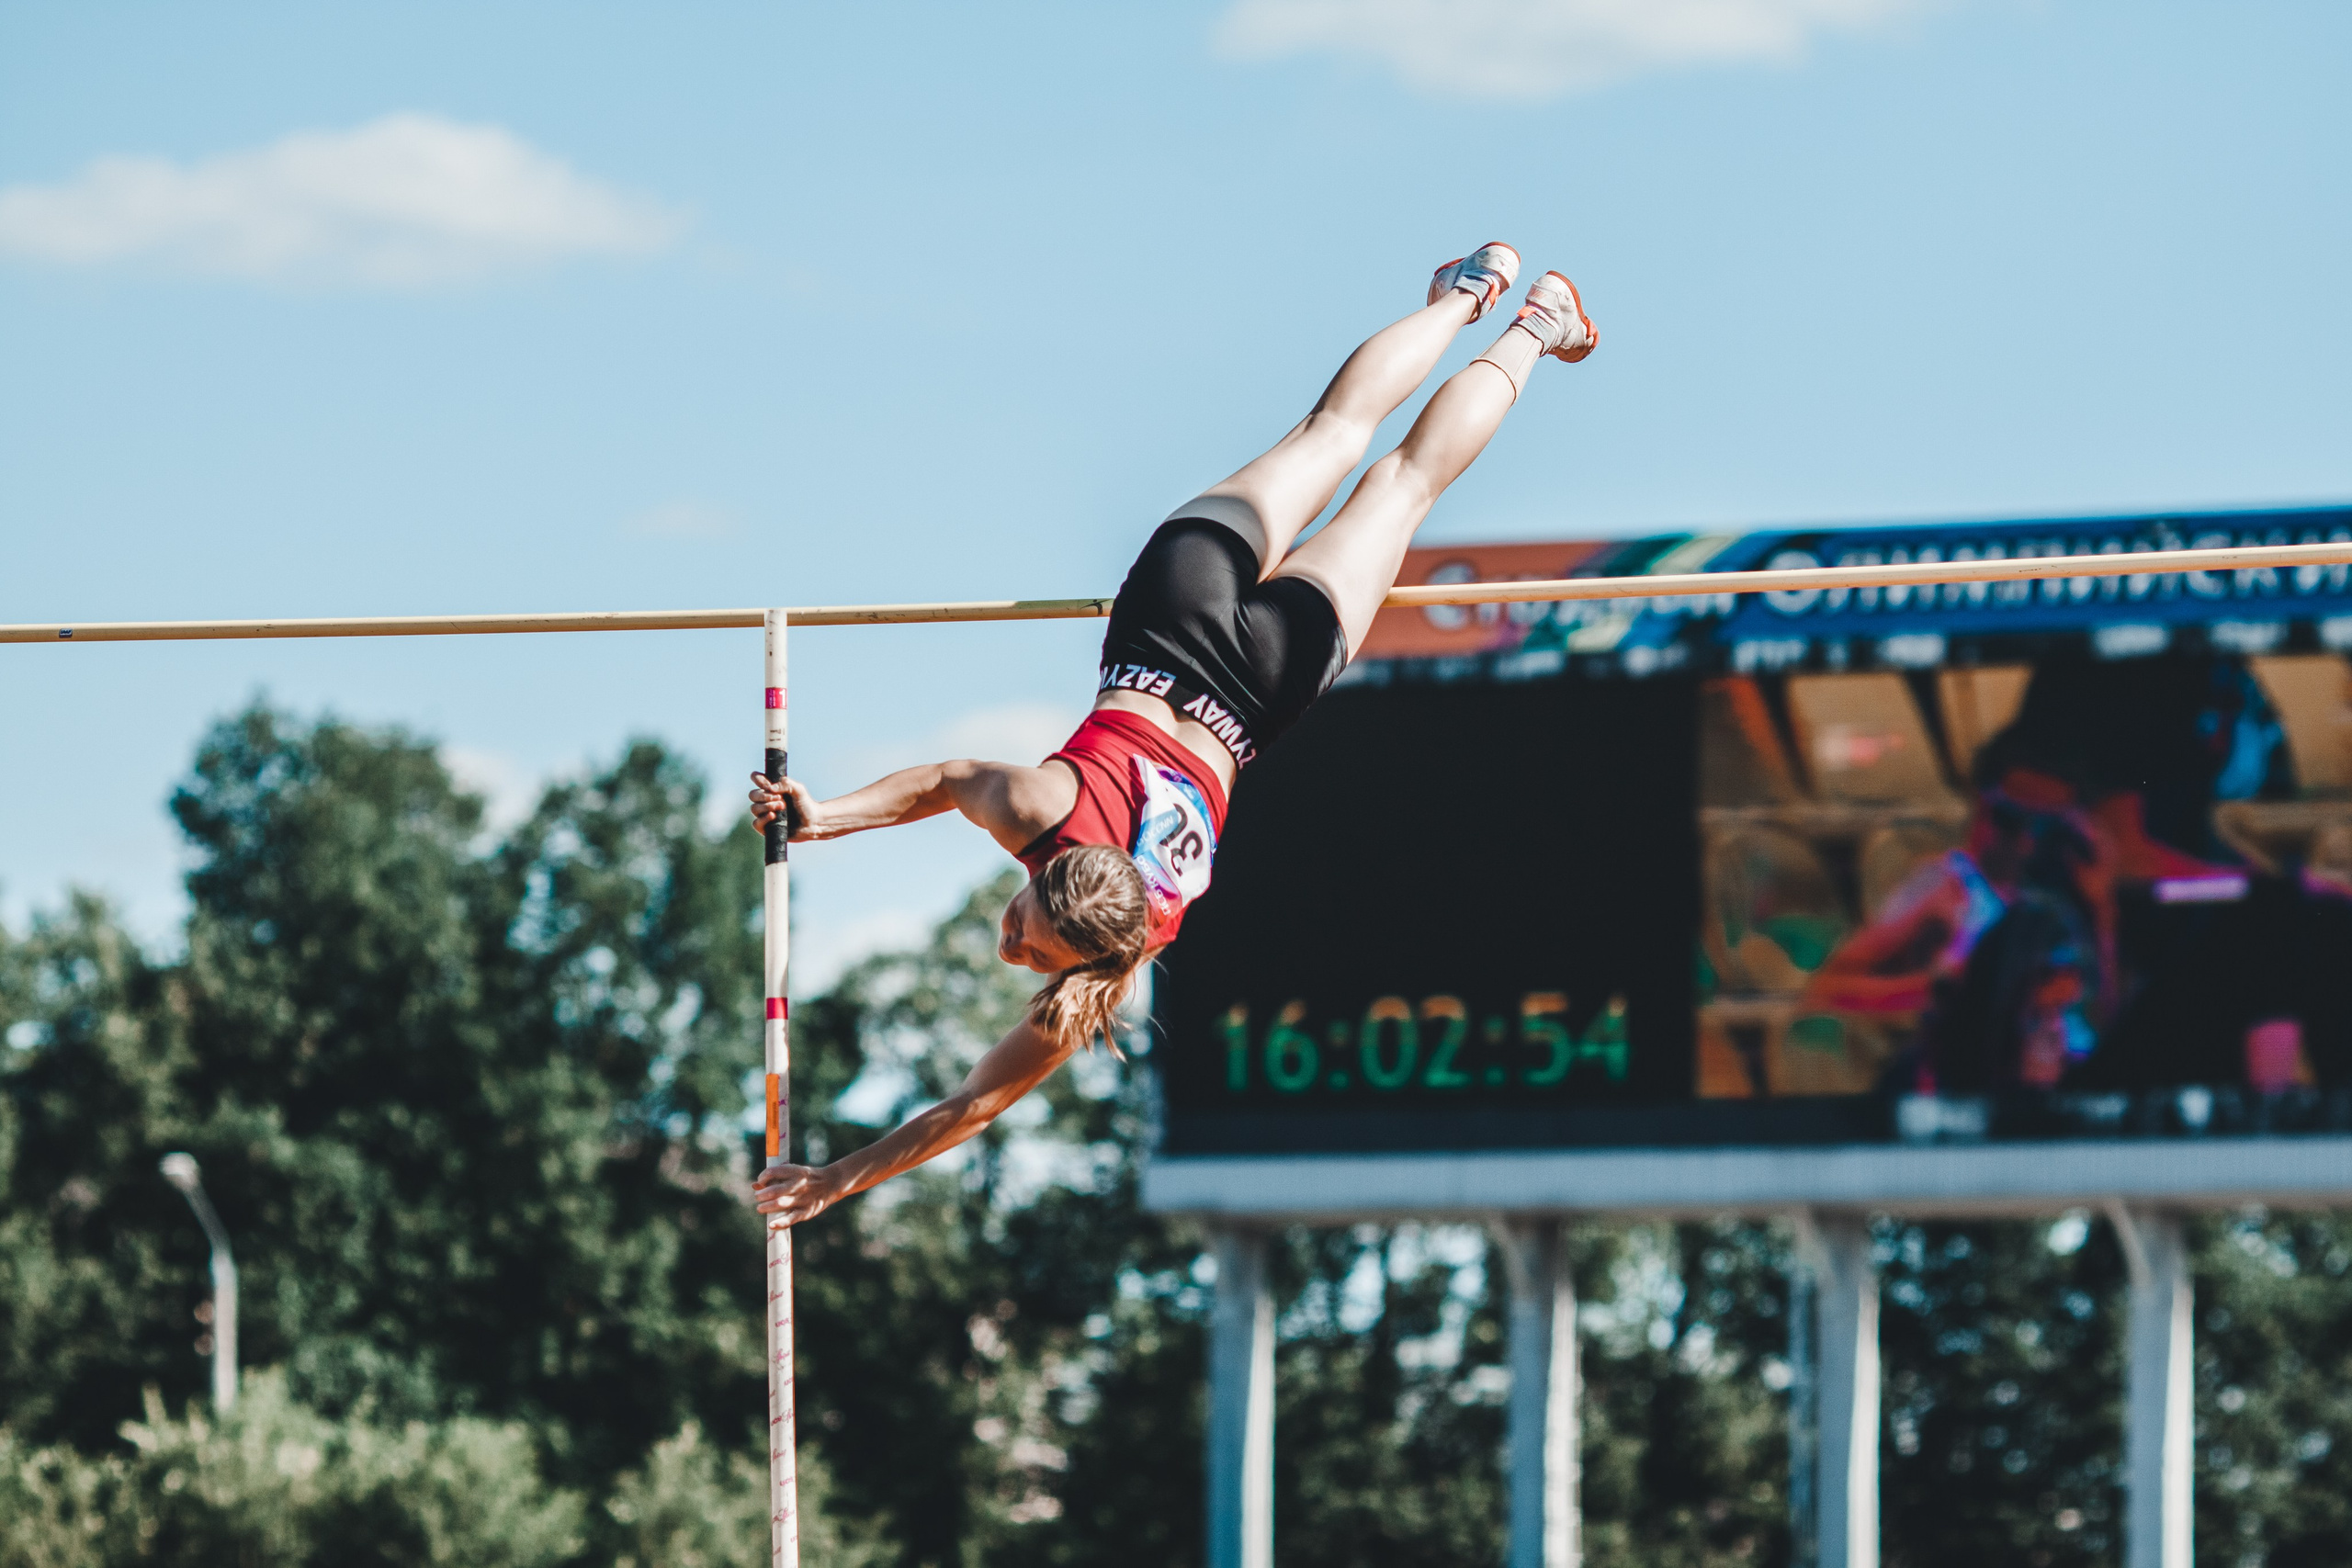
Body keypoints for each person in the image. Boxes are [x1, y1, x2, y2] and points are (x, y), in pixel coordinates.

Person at [749, 243, 1596, 1226]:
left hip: (1233, 666)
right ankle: (1494, 306)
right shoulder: (1039, 820)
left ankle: (1512, 310)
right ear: (1059, 891)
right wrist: (830, 823)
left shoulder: (1119, 929)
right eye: (1031, 947)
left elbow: (940, 797)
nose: (1013, 948)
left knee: (1365, 455)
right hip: (1207, 638)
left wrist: (823, 819)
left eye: (1024, 938)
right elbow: (968, 1094)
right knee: (1379, 468)